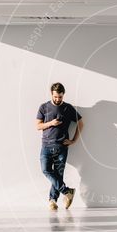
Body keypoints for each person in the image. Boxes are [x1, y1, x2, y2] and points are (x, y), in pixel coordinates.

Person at [35, 82, 83, 210]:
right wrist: (51, 123)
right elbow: (38, 126)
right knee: (46, 170)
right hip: (46, 146)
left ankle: (52, 200)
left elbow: (81, 123)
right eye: (55, 96)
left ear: (63, 95)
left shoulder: (68, 108)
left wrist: (73, 140)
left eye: (60, 97)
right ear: (51, 94)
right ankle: (67, 191)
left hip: (61, 146)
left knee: (57, 174)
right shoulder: (44, 107)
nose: (57, 99)